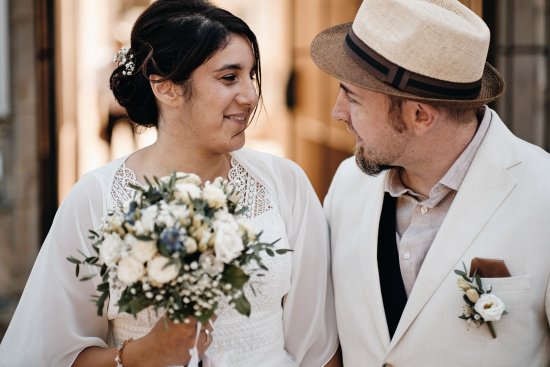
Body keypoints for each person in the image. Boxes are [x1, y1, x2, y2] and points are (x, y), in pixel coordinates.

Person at [0, 1, 340, 366]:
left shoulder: (284, 184)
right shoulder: (96, 199)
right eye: (229, 77)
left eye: (251, 75)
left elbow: (318, 350)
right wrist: (139, 355)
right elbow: (53, 356)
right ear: (166, 88)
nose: (250, 95)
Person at [311, 0, 550, 366]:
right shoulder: (347, 183)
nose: (337, 112)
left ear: (420, 115)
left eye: (352, 97)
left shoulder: (543, 193)